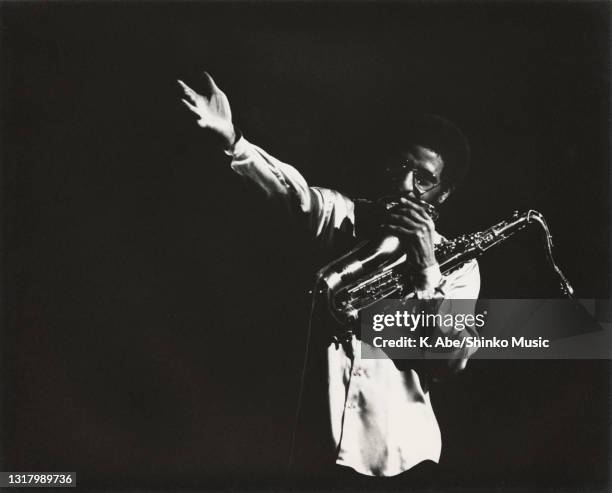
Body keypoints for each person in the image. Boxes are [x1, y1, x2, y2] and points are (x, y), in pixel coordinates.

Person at [177, 73, 480, 485]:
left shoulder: (459, 263)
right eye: (402, 167)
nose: (406, 184)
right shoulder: (344, 216)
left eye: (424, 179)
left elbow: (449, 362)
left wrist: (427, 268)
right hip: (319, 451)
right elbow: (293, 193)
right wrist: (234, 140)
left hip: (403, 459)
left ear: (442, 196)